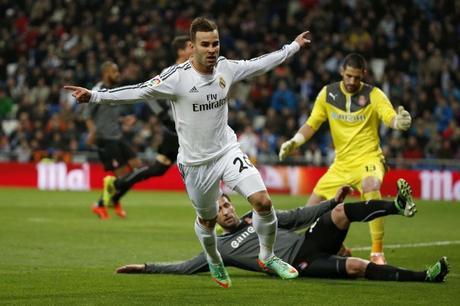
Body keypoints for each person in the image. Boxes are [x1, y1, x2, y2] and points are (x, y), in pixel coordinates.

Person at [64, 17, 312, 288]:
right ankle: (213, 257)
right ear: (192, 47)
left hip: (226, 150)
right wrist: (96, 96)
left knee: (263, 203)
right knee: (207, 220)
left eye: (215, 43)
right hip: (195, 164)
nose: (211, 49)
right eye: (204, 44)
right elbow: (140, 91)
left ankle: (267, 256)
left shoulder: (225, 68)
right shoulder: (177, 77)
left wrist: (293, 47)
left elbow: (259, 63)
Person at [115, 179, 449, 283]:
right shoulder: (219, 248)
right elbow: (184, 268)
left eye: (227, 204)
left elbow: (297, 215)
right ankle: (425, 277)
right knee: (357, 267)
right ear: (212, 218)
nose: (227, 210)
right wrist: (144, 267)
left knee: (340, 212)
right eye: (220, 209)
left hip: (308, 242)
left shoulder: (256, 216)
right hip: (299, 266)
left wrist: (331, 200)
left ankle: (398, 206)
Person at [279, 53, 412, 264]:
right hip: (340, 165)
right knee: (309, 210)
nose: (351, 81)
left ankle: (377, 253)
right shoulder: (327, 94)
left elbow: (388, 116)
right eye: (348, 76)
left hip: (368, 159)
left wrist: (398, 123)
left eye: (356, 77)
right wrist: (295, 141)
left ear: (364, 75)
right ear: (341, 71)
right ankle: (338, 248)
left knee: (371, 185)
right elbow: (313, 123)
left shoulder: (374, 95)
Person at [102, 36, 194, 208]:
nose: (194, 49)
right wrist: (163, 116)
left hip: (184, 131)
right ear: (181, 51)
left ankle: (115, 186)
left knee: (157, 169)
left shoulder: (193, 69)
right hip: (178, 131)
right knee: (206, 167)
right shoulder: (172, 71)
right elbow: (149, 94)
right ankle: (218, 217)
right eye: (190, 46)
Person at [82, 61, 141, 219]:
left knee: (138, 167)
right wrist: (92, 131)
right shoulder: (96, 91)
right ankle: (103, 204)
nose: (118, 74)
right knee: (121, 175)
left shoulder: (114, 90)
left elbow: (109, 115)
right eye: (114, 72)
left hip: (118, 135)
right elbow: (86, 115)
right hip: (105, 139)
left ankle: (112, 200)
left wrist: (124, 120)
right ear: (105, 73)